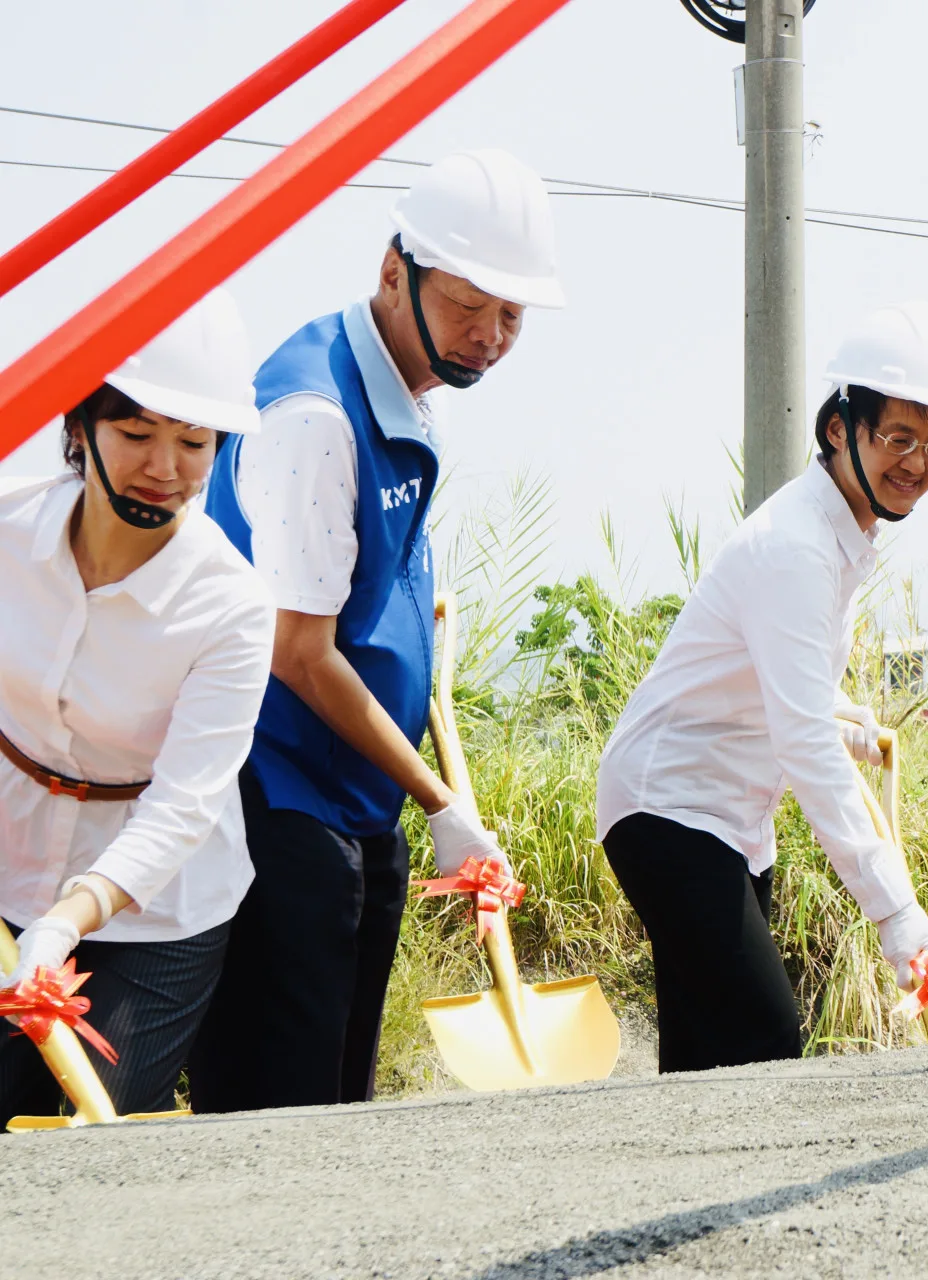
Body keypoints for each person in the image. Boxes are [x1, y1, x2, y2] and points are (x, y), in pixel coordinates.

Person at [189, 150, 564, 1111]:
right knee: (285, 1104)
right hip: (280, 793)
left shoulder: (402, 389)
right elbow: (298, 650)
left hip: (354, 793)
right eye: (469, 306)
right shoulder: (315, 412)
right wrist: (442, 803)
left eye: (512, 316)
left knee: (342, 1100)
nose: (489, 337)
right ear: (395, 271)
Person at [596, 302, 928, 1073]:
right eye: (898, 438)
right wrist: (895, 912)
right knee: (761, 1040)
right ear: (840, 428)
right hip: (671, 806)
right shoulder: (798, 547)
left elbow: (779, 684)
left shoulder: (840, 535)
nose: (917, 464)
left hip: (728, 819)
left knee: (708, 1058)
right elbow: (802, 741)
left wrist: (837, 717)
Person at [0, 291, 273, 1118]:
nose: (165, 467)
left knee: (92, 1124)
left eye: (193, 442)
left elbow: (184, 803)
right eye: (136, 432)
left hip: (157, 907)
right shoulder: (6, 531)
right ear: (79, 426)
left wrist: (64, 922)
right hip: (9, 854)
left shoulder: (231, 605)